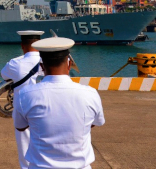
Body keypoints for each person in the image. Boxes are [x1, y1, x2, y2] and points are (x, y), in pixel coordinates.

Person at [14, 37, 105, 169]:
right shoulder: (90, 93)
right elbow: (96, 122)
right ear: (69, 64)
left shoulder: (25, 94)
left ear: (42, 67)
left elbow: (20, 126)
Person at [0, 30, 45, 169]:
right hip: (47, 107)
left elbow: (4, 76)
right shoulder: (50, 61)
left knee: (24, 145)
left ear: (22, 45)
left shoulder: (15, 63)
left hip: (23, 109)